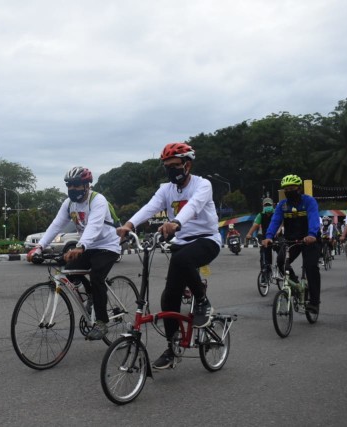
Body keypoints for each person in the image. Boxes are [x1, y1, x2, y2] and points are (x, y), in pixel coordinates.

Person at [116, 142, 222, 369]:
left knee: (183, 259)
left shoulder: (203, 185)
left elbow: (193, 206)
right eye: (167, 167)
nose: (171, 170)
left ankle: (203, 302)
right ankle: (172, 347)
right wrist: (129, 224)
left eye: (175, 165)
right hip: (181, 243)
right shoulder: (166, 189)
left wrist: (176, 222)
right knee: (168, 299)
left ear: (187, 164)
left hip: (206, 240)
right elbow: (151, 206)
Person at [26, 166, 121, 340]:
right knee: (68, 272)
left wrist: (81, 246)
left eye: (76, 185)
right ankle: (91, 296)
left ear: (86, 185)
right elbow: (56, 225)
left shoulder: (97, 200)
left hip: (108, 245)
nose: (72, 189)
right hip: (87, 246)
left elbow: (95, 226)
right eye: (69, 185)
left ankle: (101, 322)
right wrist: (39, 246)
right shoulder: (69, 204)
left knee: (97, 275)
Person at [262, 174, 321, 313]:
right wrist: (269, 237)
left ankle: (314, 301)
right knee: (281, 261)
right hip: (291, 239)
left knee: (310, 266)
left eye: (292, 188)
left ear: (299, 188)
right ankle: (295, 285)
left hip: (309, 239)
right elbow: (275, 221)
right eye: (286, 189)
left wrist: (312, 234)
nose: (289, 191)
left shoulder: (309, 201)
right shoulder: (282, 205)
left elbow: (314, 218)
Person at [245, 198, 275, 271]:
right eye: (266, 205)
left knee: (282, 253)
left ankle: (283, 270)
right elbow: (255, 225)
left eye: (269, 205)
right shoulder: (260, 215)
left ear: (273, 205)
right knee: (264, 254)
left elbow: (281, 223)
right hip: (265, 237)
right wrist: (249, 234)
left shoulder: (276, 214)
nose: (267, 206)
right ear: (263, 206)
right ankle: (264, 273)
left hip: (276, 237)